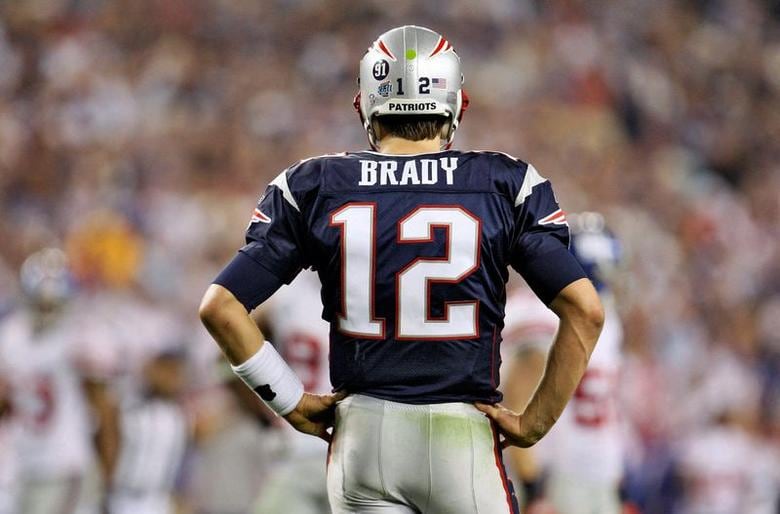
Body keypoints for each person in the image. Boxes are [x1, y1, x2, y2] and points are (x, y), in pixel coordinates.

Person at [199, 25, 604, 513]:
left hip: (362, 440)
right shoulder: (503, 183)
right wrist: (536, 421)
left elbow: (221, 308)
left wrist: (290, 400)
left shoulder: (314, 185)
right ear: (458, 104)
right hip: (461, 437)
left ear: (364, 106)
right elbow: (585, 310)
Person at [500, 213, 626, 514]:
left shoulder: (606, 318)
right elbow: (518, 399)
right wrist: (534, 488)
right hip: (556, 477)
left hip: (597, 476)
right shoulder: (540, 312)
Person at [0, 248, 119, 514]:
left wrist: (109, 476)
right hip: (19, 463)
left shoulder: (80, 337)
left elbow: (106, 409)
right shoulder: (11, 335)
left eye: (52, 304)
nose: (46, 310)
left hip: (65, 464)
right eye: (40, 303)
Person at [251, 270, 332, 513]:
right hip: (342, 444)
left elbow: (232, 344)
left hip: (299, 441)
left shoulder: (287, 294)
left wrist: (269, 409)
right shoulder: (369, 289)